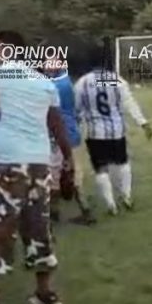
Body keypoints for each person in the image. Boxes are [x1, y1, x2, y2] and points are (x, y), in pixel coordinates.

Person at [0, 30, 74, 304]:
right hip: (38, 163)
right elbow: (57, 124)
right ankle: (44, 293)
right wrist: (68, 158)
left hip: (2, 163)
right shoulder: (43, 82)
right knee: (38, 227)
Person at [73, 52, 152, 215]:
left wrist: (77, 126)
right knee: (123, 163)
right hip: (116, 131)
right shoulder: (116, 80)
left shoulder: (82, 83)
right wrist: (143, 122)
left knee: (101, 168)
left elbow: (77, 109)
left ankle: (111, 205)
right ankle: (126, 196)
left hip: (94, 133)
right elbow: (129, 103)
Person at [41, 55, 96, 225]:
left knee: (62, 174)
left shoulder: (57, 85)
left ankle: (78, 212)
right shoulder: (64, 80)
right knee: (65, 174)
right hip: (70, 132)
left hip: (62, 134)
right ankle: (59, 212)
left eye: (51, 63)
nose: (46, 66)